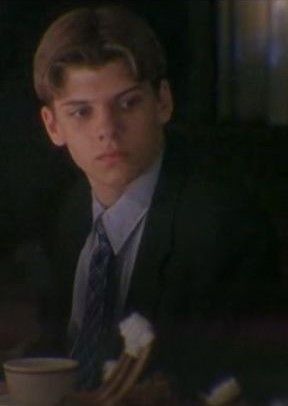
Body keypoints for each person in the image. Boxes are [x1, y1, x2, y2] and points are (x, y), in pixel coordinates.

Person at [32, 4, 281, 402]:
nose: (107, 131)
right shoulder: (69, 214)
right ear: (53, 126)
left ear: (162, 102)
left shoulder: (222, 225)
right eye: (81, 112)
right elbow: (55, 352)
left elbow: (249, 375)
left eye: (128, 103)